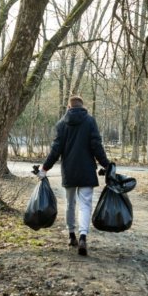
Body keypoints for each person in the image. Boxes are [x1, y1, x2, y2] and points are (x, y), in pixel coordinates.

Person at [40, 95, 111, 256]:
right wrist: (106, 165)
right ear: (83, 107)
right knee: (85, 204)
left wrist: (45, 168)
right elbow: (96, 146)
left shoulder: (61, 124)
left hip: (69, 171)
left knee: (70, 203)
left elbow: (55, 150)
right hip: (87, 171)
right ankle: (83, 237)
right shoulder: (90, 121)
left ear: (68, 107)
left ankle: (71, 235)